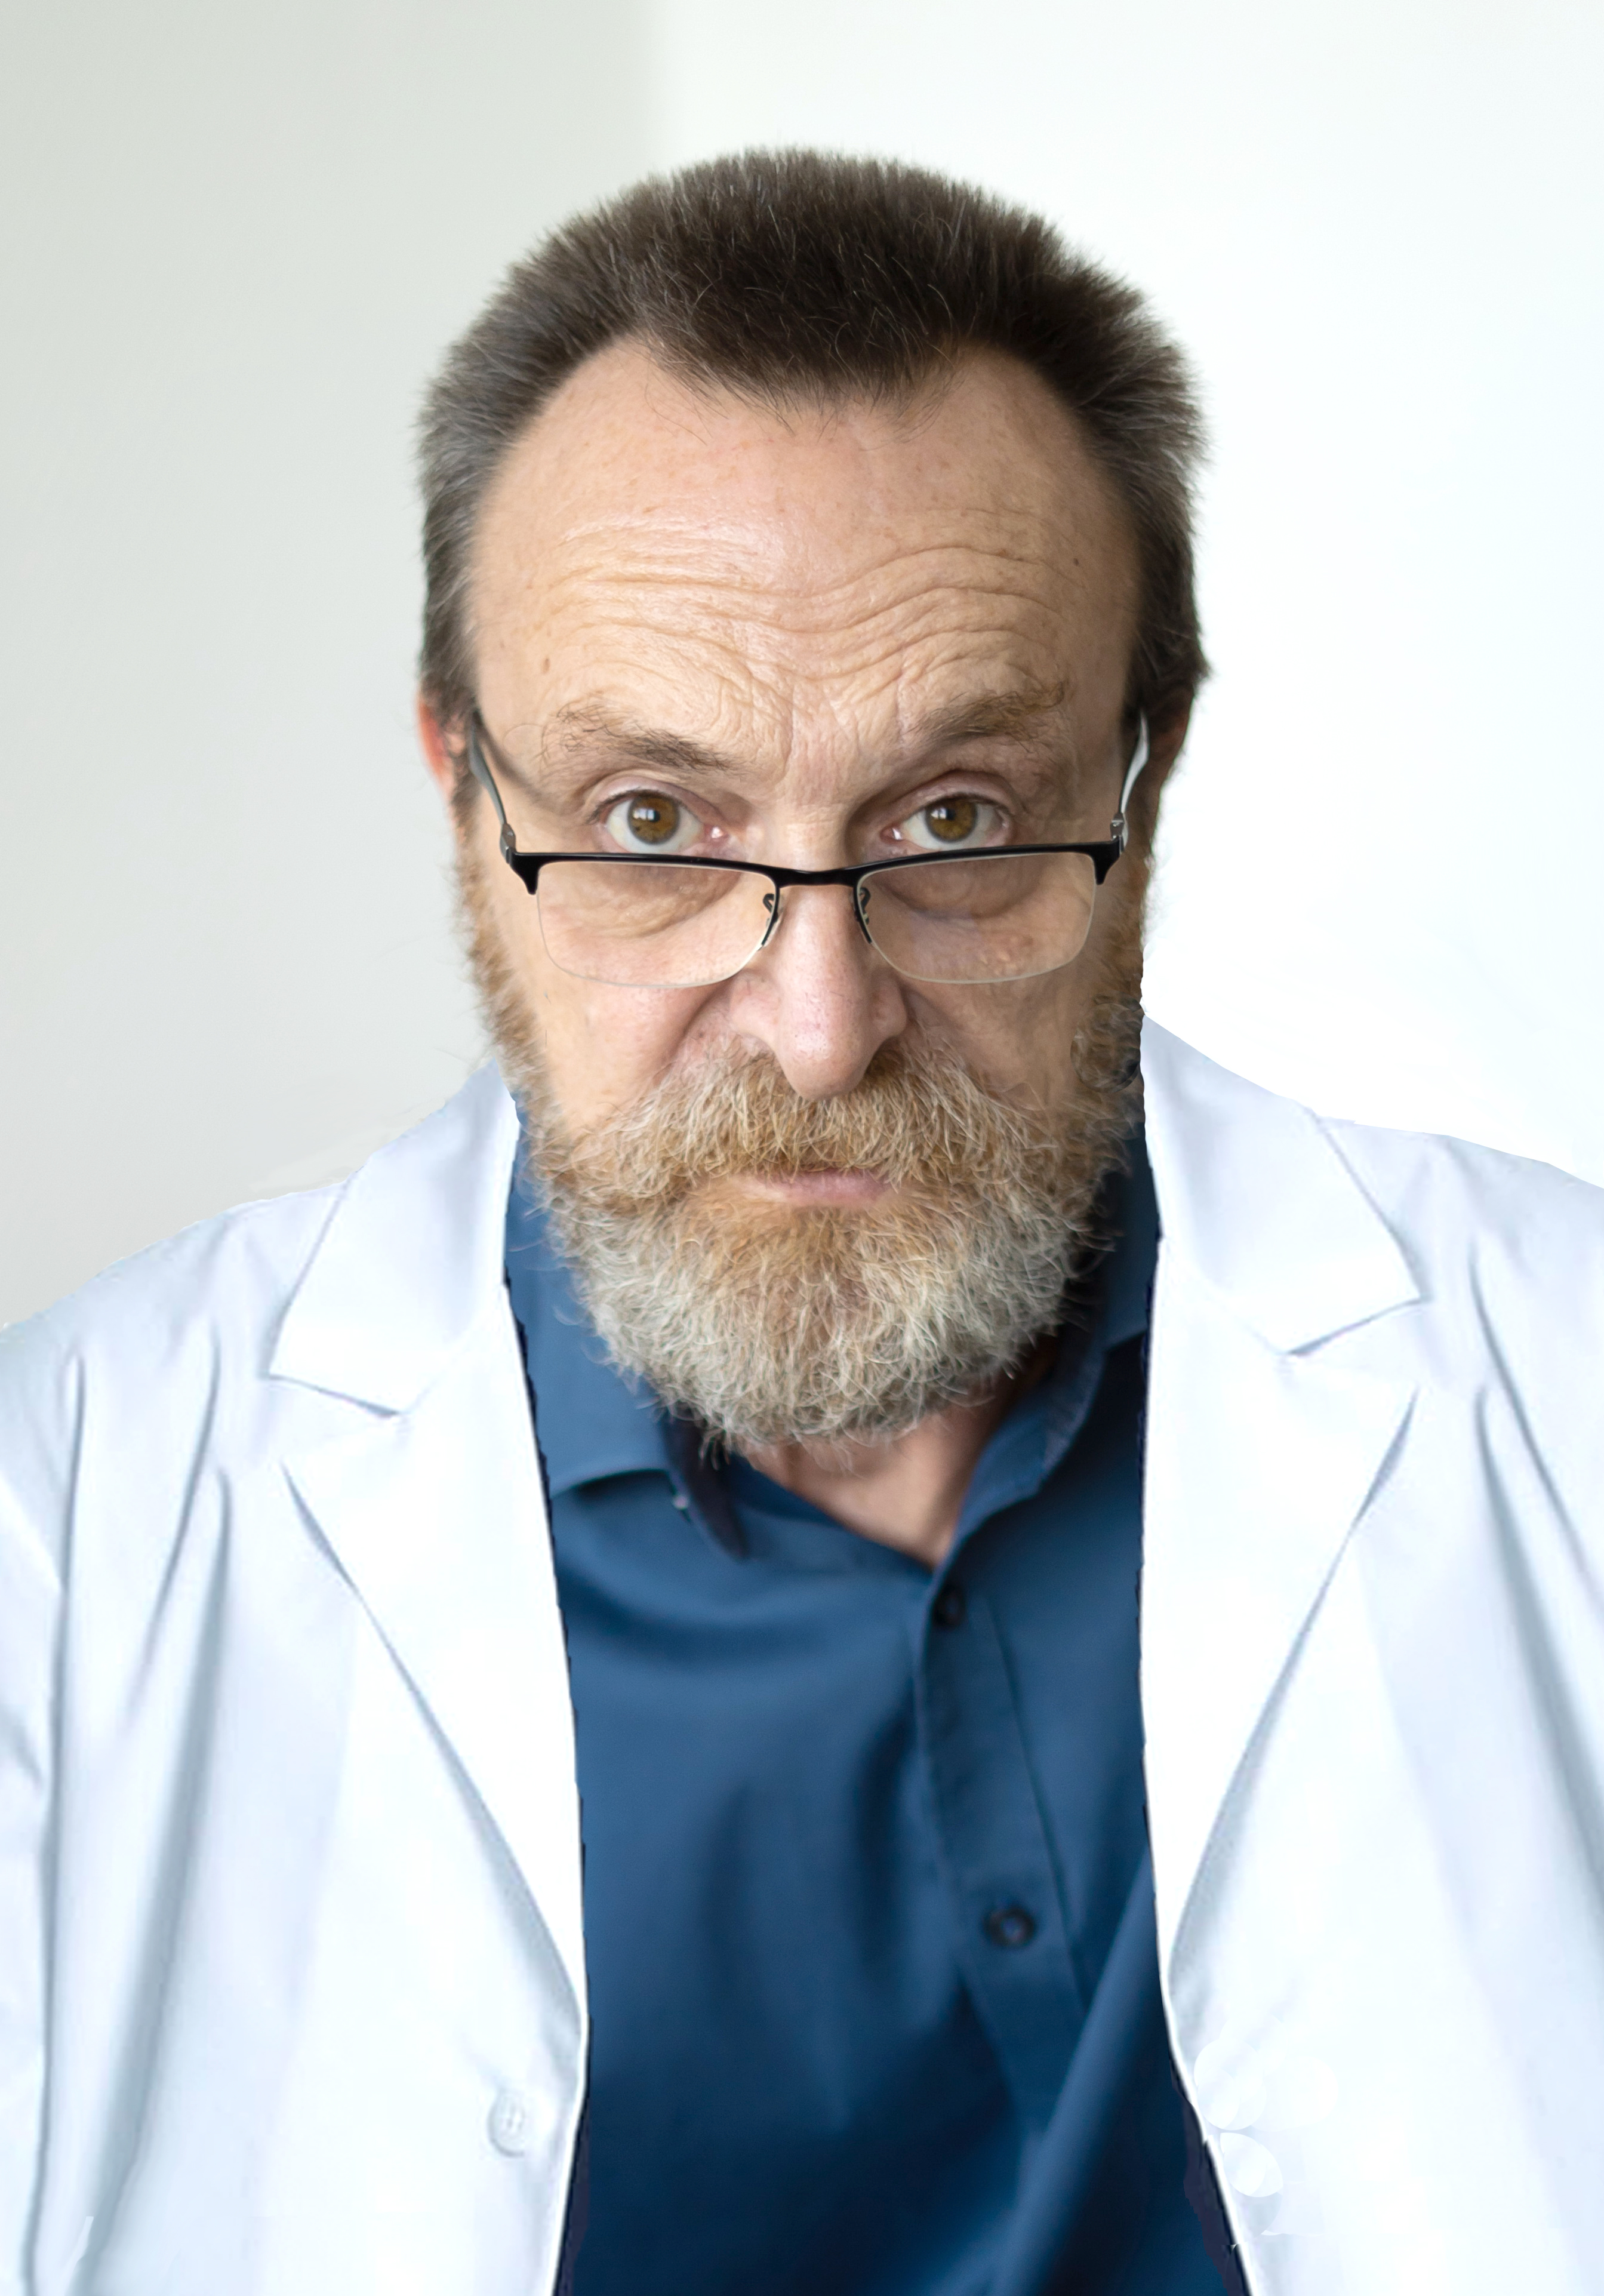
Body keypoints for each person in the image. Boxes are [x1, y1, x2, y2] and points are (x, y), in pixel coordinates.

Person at [3, 151, 1603, 2296]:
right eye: (656, 822)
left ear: (1143, 787)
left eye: (955, 818)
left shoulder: (1563, 1385)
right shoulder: (62, 1529)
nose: (822, 1028)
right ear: (464, 794)